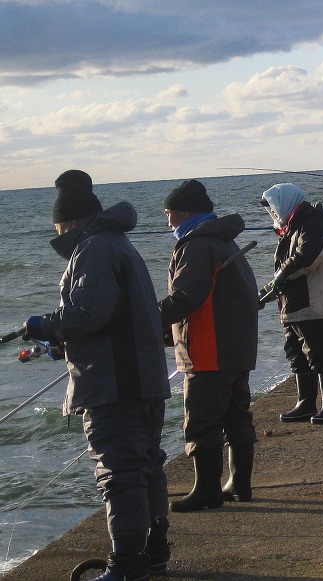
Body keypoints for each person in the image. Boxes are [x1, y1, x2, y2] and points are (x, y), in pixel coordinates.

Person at [23, 170, 171, 580]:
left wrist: (44, 325)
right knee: (146, 466)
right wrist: (62, 343)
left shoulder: (93, 248)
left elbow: (88, 313)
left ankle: (126, 564)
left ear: (67, 221)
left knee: (119, 473)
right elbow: (111, 318)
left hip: (115, 386)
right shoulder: (116, 242)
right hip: (142, 380)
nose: (55, 230)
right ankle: (153, 551)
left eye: (57, 224)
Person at [158, 179, 258, 512]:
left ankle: (207, 490)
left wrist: (148, 318)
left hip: (208, 348)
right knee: (236, 416)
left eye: (169, 213)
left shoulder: (196, 244)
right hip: (236, 347)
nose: (167, 220)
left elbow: (186, 297)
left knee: (202, 421)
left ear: (184, 212)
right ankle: (240, 483)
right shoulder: (222, 240)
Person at [260, 183, 323, 423]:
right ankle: (306, 403)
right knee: (296, 355)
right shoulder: (291, 228)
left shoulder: (311, 224)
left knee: (321, 354)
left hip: (314, 305)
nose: (273, 214)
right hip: (293, 307)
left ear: (285, 202)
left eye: (274, 208)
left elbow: (307, 258)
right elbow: (285, 272)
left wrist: (279, 279)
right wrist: (269, 290)